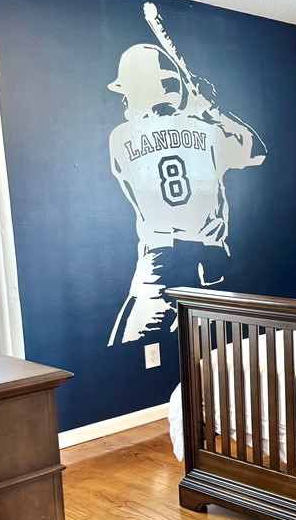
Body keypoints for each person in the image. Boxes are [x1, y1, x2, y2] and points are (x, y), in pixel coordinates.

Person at [107, 38, 266, 345]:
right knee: (224, 342)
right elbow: (256, 151)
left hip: (160, 257)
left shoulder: (120, 137)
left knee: (131, 342)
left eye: (128, 92)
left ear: (143, 91)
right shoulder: (207, 130)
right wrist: (214, 111)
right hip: (211, 252)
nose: (124, 100)